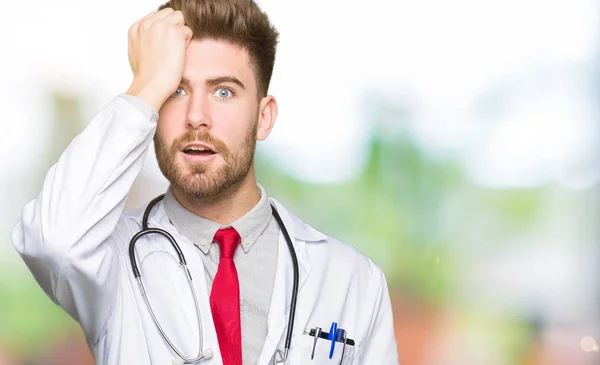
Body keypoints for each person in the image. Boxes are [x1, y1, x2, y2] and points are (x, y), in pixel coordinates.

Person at [11, 0, 400, 364]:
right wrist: (144, 86)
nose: (197, 116)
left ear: (263, 118)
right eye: (176, 90)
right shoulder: (109, 260)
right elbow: (51, 240)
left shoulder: (354, 282)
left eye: (224, 91)